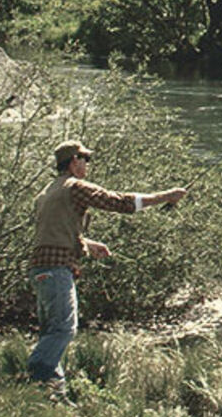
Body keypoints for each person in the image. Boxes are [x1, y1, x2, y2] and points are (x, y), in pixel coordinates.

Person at [27, 139, 187, 386]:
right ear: (73, 162)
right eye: (85, 159)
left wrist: (88, 245)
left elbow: (52, 231)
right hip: (57, 270)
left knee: (51, 331)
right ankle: (36, 376)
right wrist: (165, 196)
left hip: (39, 268)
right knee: (64, 330)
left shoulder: (46, 192)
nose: (87, 164)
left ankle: (53, 390)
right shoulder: (74, 187)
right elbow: (119, 202)